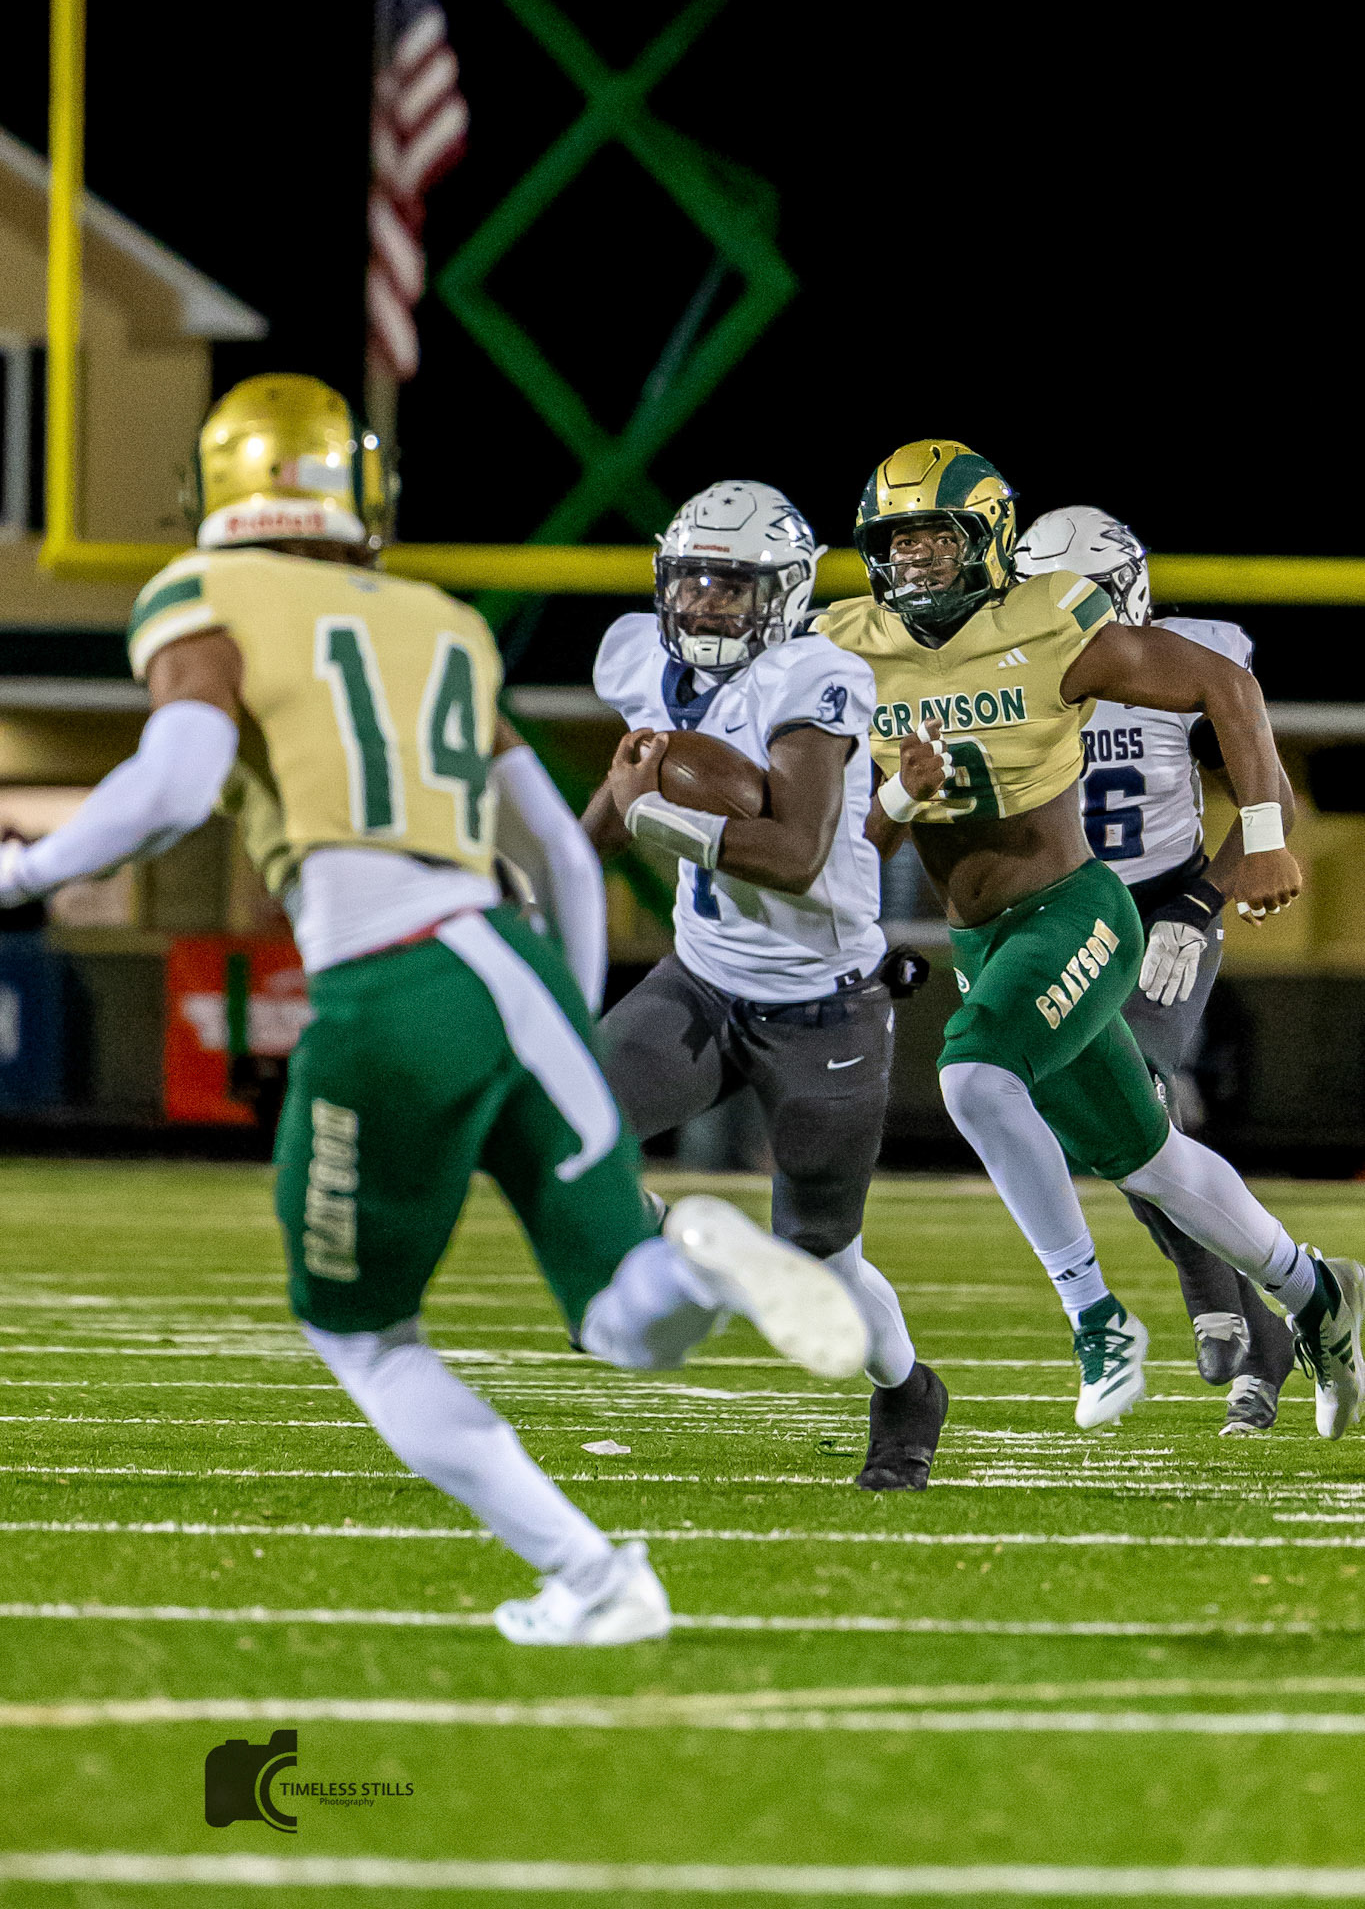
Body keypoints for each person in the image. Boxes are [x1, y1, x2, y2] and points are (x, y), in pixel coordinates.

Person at [0, 376, 870, 1647]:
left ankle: (593, 1574)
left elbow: (177, 780)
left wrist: (22, 871)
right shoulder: (437, 618)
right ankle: (699, 1262)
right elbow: (562, 853)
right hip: (512, 966)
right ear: (359, 496)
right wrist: (565, 1018)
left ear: (218, 492)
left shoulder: (203, 591)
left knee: (360, 1333)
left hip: (388, 978)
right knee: (623, 1311)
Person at [816, 437, 1364, 1437]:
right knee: (1148, 1158)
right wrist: (894, 793)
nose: (914, 560)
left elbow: (1228, 687)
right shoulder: (844, 643)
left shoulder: (1051, 620)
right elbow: (856, 840)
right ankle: (1318, 1292)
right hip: (983, 938)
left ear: (988, 540)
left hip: (1078, 909)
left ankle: (1097, 1319)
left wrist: (1262, 838)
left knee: (972, 1074)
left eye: (936, 538)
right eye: (895, 541)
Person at [582, 479, 948, 1490]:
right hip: (700, 981)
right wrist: (546, 881)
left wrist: (654, 815)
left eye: (731, 586)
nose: (704, 603)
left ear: (781, 594)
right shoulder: (639, 656)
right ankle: (682, 1257)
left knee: (822, 1258)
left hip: (823, 1002)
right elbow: (624, 782)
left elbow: (794, 852)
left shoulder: (812, 675)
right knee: (565, 1127)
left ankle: (908, 1390)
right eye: (691, 580)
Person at [1015, 507, 1296, 1436]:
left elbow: (1268, 793)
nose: (1072, 618)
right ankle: (1264, 1324)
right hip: (1066, 917)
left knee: (1136, 1085)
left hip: (1167, 904)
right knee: (1106, 1120)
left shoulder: (1183, 661)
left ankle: (1213, 1300)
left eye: (1088, 598)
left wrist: (1203, 901)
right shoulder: (1005, 671)